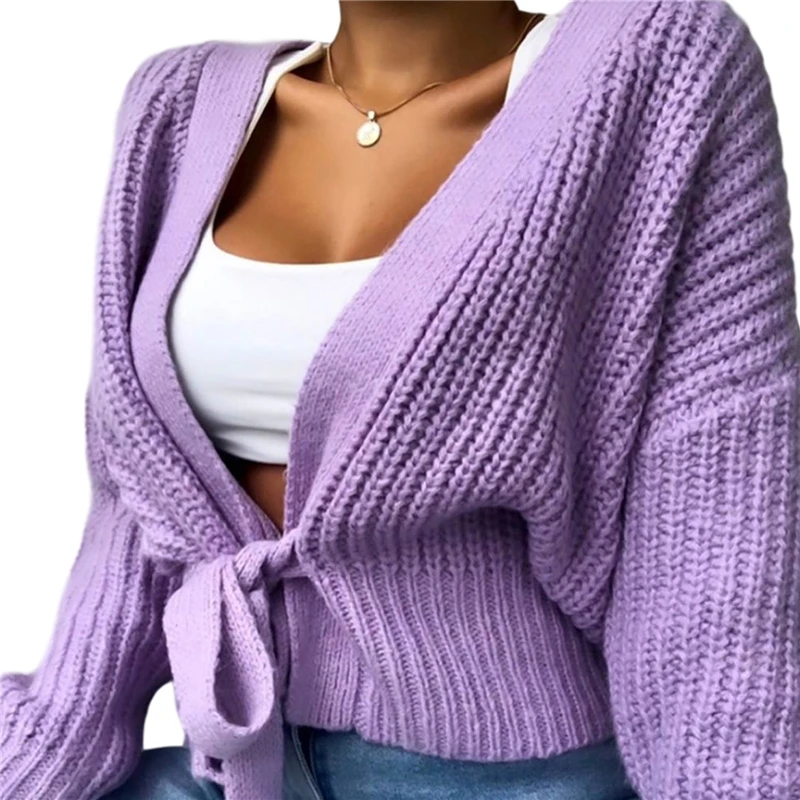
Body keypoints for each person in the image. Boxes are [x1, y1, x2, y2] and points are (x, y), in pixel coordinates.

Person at [2, 1, 798, 799]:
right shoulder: (176, 105)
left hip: (506, 778)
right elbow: (137, 502)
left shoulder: (654, 69)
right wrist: (45, 751)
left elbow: (718, 524)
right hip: (237, 764)